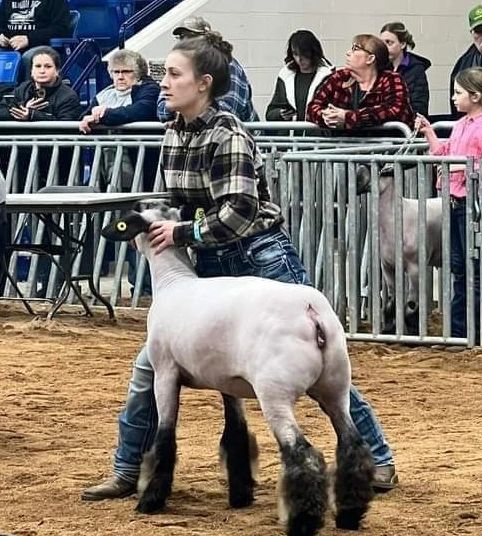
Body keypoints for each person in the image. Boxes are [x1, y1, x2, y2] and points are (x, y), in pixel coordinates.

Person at [82, 31, 398, 502]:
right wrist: (158, 220)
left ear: (204, 82)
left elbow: (240, 211)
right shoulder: (175, 129)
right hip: (210, 267)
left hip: (258, 256)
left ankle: (376, 459)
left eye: (173, 74)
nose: (162, 83)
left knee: (317, 358)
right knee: (152, 364)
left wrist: (182, 233)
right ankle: (129, 468)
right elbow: (179, 202)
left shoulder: (227, 133)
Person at [416, 67, 482, 342]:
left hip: (473, 203)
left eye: (458, 93)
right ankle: (459, 331)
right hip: (455, 202)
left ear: (476, 96)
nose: (454, 98)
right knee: (458, 265)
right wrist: (429, 132)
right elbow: (444, 151)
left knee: (474, 267)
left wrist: (460, 168)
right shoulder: (461, 125)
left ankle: (475, 331)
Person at [79, 49, 159, 295]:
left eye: (126, 72)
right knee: (119, 226)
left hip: (143, 173)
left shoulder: (149, 89)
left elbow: (139, 112)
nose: (120, 77)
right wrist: (87, 118)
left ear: (138, 74)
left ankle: (144, 287)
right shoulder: (104, 94)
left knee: (143, 228)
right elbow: (83, 116)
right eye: (116, 72)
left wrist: (104, 115)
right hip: (110, 172)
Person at [157, 16, 258, 124]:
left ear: (207, 38)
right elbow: (162, 111)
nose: (185, 41)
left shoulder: (227, 65)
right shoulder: (179, 65)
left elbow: (227, 110)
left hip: (235, 133)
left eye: (192, 36)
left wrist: (185, 107)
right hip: (193, 133)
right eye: (182, 37)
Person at [306, 34, 414, 134]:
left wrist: (348, 117)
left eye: (355, 49)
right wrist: (327, 116)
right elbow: (312, 107)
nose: (348, 53)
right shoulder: (340, 77)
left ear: (370, 59)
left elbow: (397, 110)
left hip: (383, 150)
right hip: (342, 150)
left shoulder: (391, 79)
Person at [265, 29, 333, 124]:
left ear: (313, 52)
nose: (299, 59)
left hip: (317, 136)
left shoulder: (329, 77)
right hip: (291, 136)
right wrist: (280, 114)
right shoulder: (285, 76)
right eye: (295, 54)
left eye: (304, 54)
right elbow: (270, 113)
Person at [0, 45, 80, 121]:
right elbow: (2, 111)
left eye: (48, 66)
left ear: (57, 71)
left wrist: (32, 115)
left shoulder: (69, 97)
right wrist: (24, 107)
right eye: (38, 66)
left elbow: (66, 127)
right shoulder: (22, 88)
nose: (42, 71)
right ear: (31, 71)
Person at [0, 0, 71, 81]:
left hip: (43, 45)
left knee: (29, 58)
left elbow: (61, 29)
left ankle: (27, 92)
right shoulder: (6, 2)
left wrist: (29, 39)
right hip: (10, 47)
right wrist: (1, 36)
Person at [380, 22, 430, 116]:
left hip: (406, 125)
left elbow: (419, 104)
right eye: (382, 43)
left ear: (402, 44)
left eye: (389, 42)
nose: (384, 47)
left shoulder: (416, 69)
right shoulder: (380, 68)